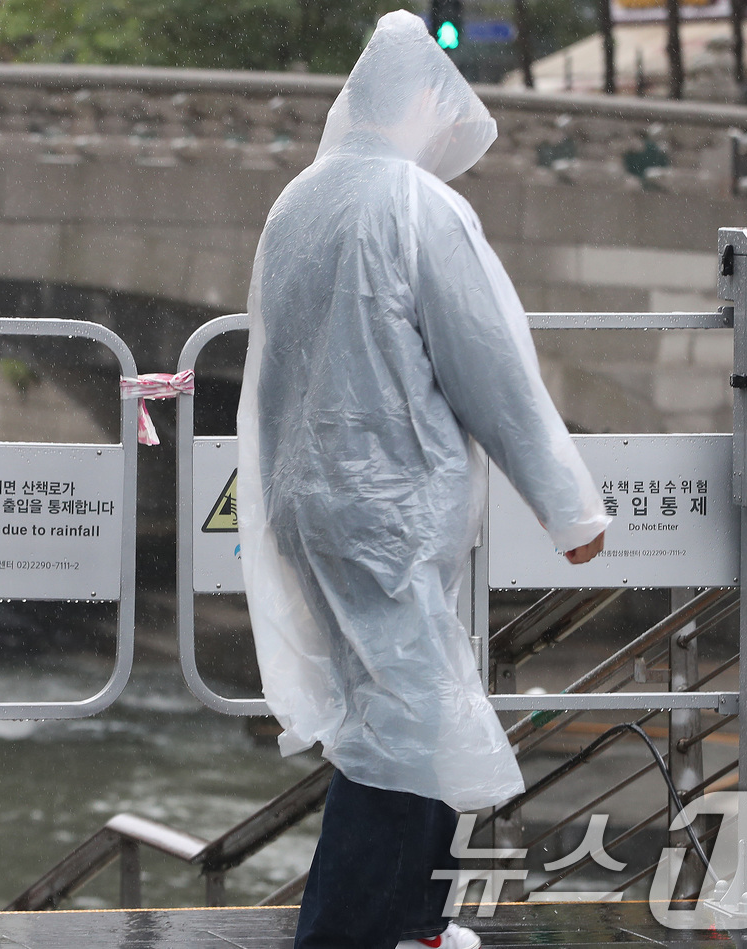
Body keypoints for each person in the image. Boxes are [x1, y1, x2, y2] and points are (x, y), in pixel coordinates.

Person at [234, 11, 610, 949]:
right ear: (416, 109)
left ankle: (418, 926)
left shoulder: (298, 201)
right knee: (403, 729)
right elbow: (493, 370)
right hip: (386, 509)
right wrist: (569, 506)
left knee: (406, 710)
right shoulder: (416, 207)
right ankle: (348, 932)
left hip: (310, 500)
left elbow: (275, 369)